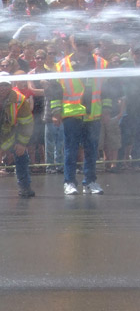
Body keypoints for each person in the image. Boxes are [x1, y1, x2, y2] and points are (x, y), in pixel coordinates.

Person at [52, 33, 109, 195]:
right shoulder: (61, 65)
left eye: (85, 43)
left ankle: (90, 181)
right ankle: (69, 182)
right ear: (73, 45)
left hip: (94, 114)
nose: (82, 46)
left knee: (91, 149)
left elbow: (108, 89)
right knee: (71, 150)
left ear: (90, 44)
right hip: (72, 114)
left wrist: (106, 109)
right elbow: (54, 92)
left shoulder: (101, 63)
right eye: (79, 43)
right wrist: (56, 112)